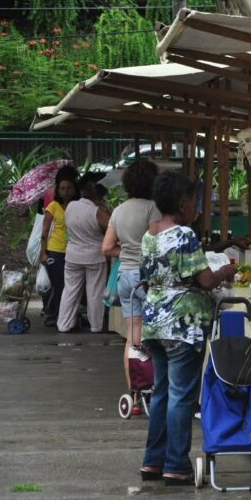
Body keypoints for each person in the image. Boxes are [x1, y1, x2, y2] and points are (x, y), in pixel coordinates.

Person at [138, 172, 236, 486]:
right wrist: (226, 270)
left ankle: (153, 461)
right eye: (194, 202)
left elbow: (151, 274)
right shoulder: (184, 235)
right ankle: (176, 465)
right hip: (183, 324)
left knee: (162, 393)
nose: (196, 208)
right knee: (181, 396)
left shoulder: (149, 235)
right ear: (182, 204)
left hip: (154, 321)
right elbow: (205, 280)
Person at [101, 160, 161, 407]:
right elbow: (157, 244)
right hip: (146, 278)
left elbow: (106, 248)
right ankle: (153, 391)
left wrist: (127, 251)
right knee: (153, 336)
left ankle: (134, 395)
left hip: (124, 277)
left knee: (132, 337)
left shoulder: (118, 211)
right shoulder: (153, 209)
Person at [56, 179, 110, 333]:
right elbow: (112, 228)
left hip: (72, 255)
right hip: (94, 257)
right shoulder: (97, 211)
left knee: (70, 291)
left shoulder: (71, 206)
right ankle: (96, 326)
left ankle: (64, 324)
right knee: (94, 292)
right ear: (97, 198)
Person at [40, 166, 80, 327]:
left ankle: (64, 314)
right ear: (58, 190)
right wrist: (43, 253)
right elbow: (44, 231)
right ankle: (51, 312)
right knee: (59, 285)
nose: (65, 191)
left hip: (72, 251)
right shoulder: (53, 207)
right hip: (55, 252)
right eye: (62, 188)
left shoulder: (78, 206)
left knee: (70, 286)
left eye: (69, 188)